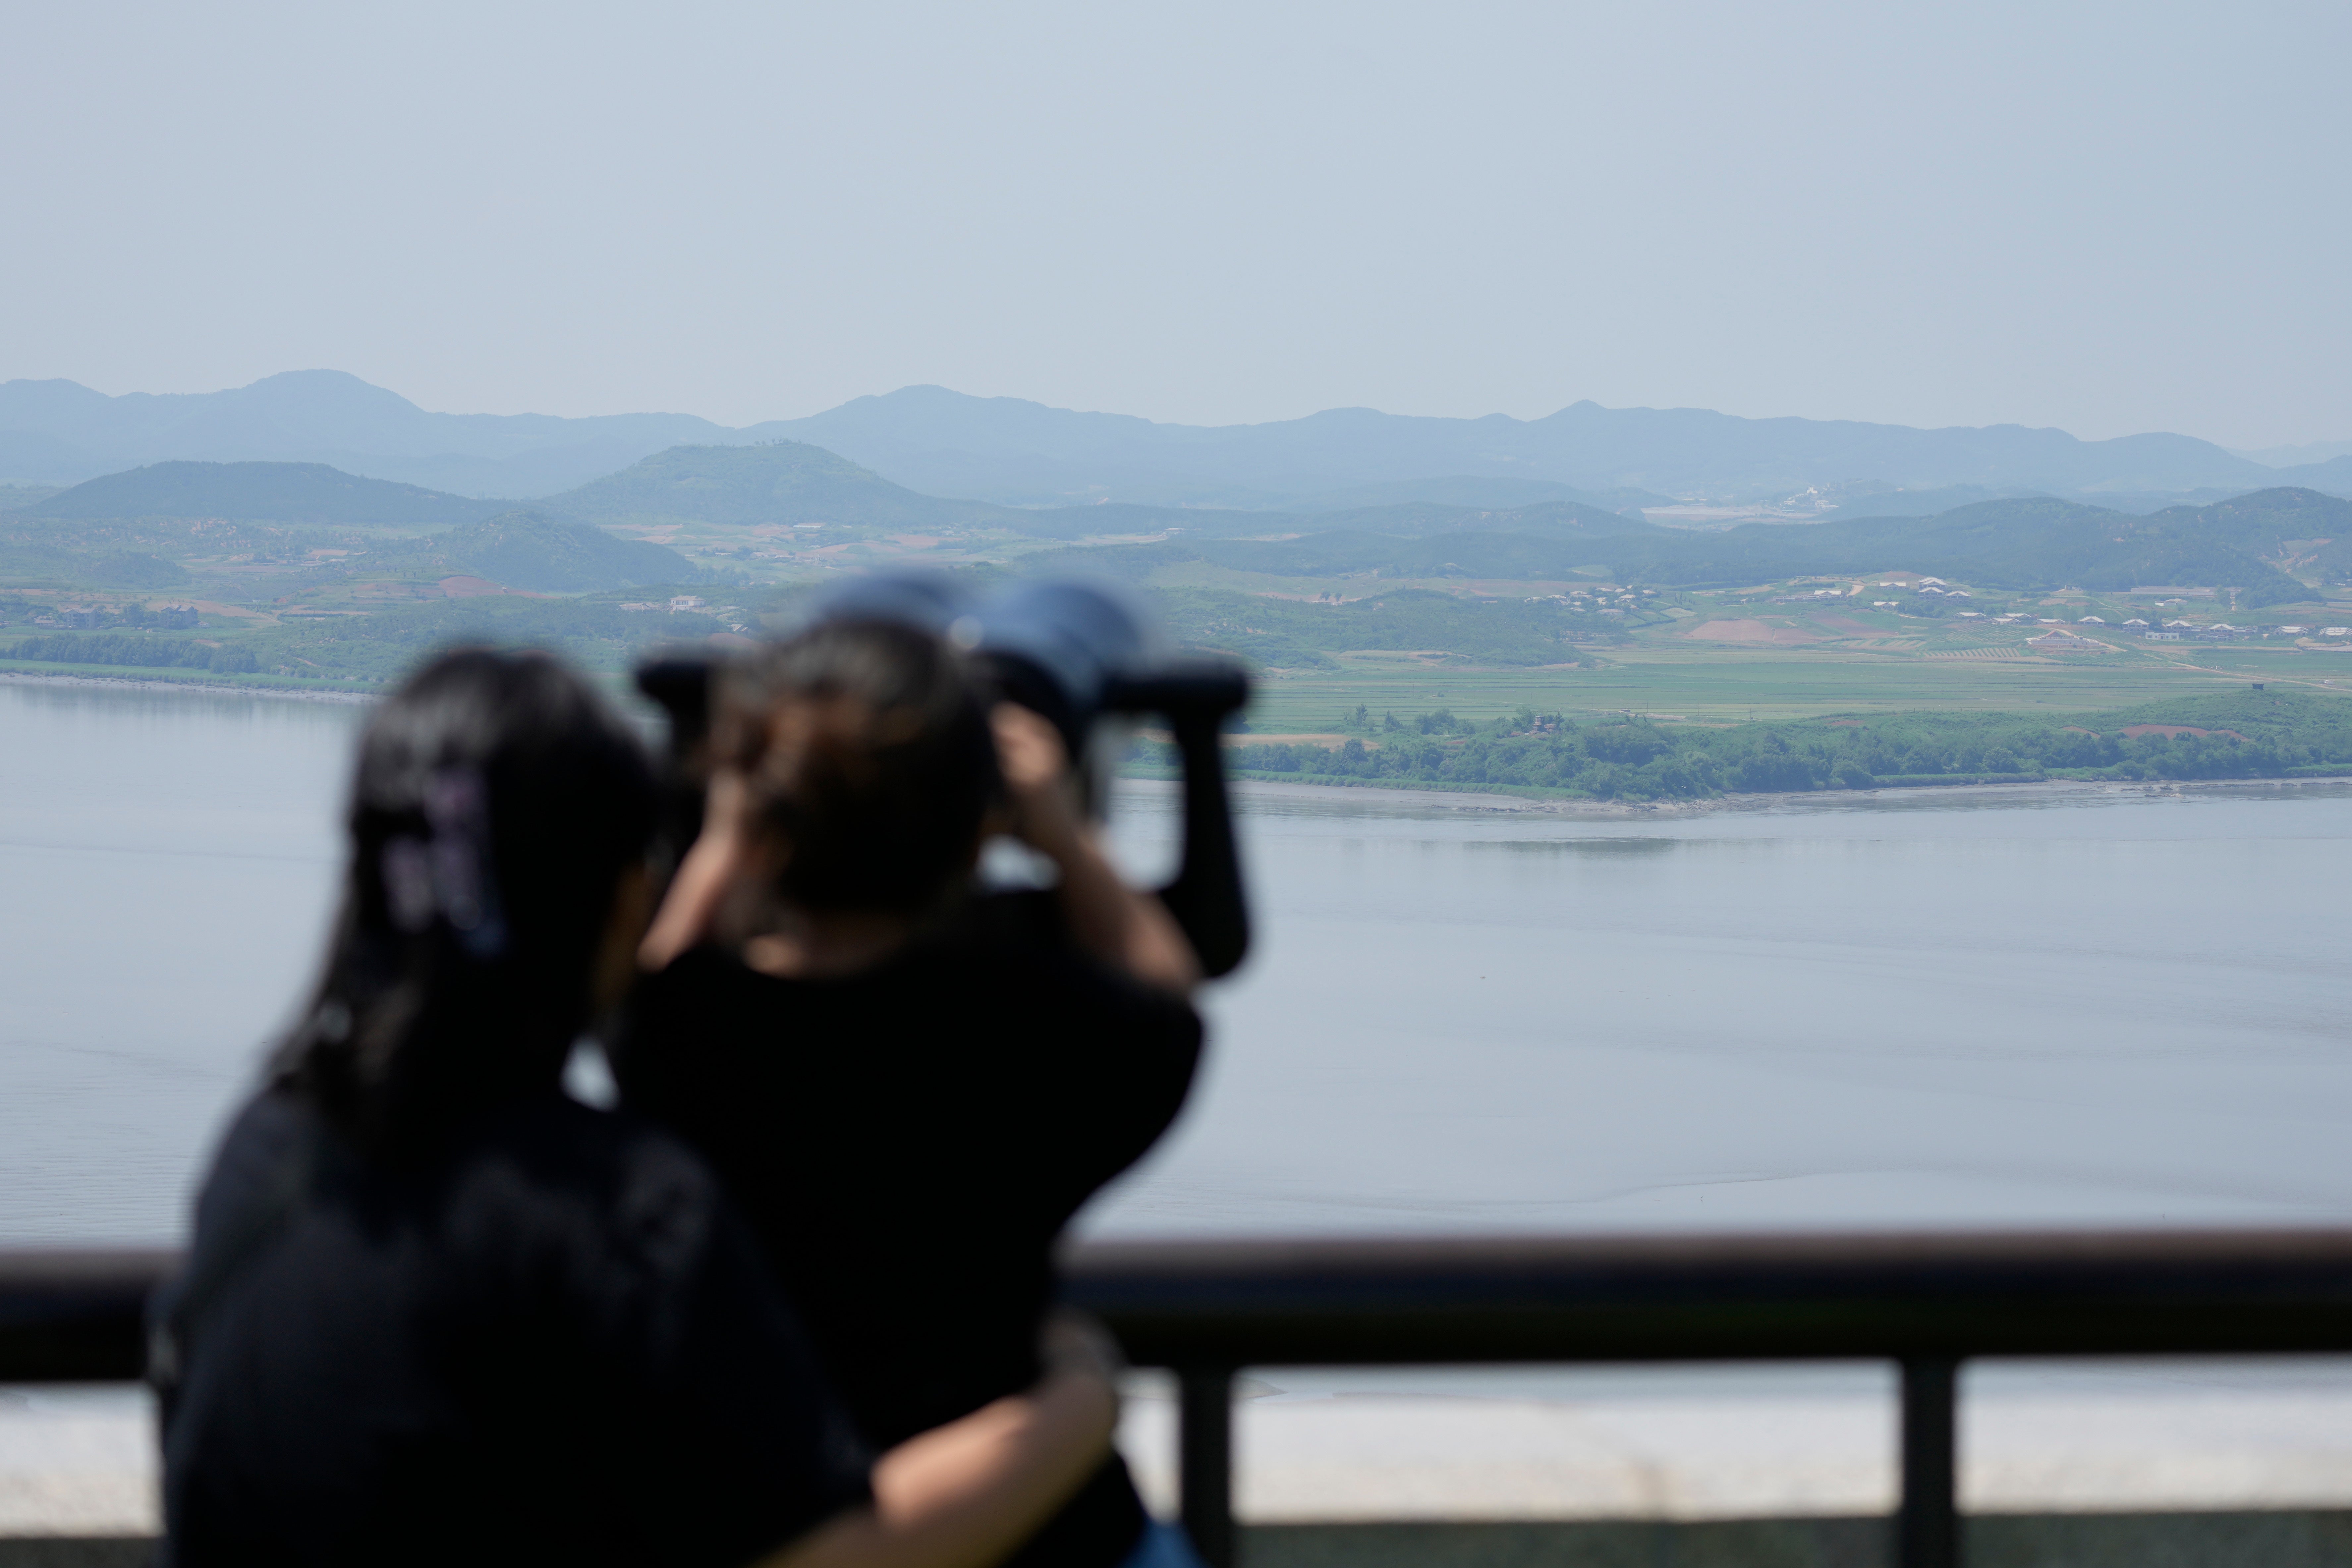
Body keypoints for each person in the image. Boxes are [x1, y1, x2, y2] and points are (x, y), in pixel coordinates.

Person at [154, 647, 1120, 1568]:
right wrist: (1077, 1402)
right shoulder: (616, 1208)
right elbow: (823, 1551)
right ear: (625, 902)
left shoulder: (268, 1147)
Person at [620, 620, 1206, 1568]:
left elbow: (656, 982)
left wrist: (727, 833)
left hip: (782, 1502)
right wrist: (1063, 829)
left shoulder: (693, 1037)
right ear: (981, 827)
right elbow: (1166, 996)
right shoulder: (1033, 1030)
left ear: (763, 821)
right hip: (1035, 1521)